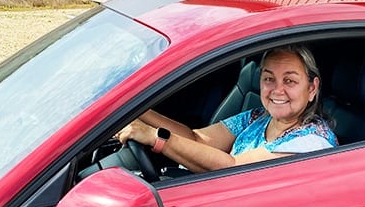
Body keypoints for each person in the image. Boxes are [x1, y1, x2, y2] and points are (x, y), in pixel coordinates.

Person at [117, 45, 337, 173]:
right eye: (269, 78)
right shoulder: (258, 117)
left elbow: (233, 167)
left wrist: (156, 139)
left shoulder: (312, 142)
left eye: (289, 81)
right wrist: (141, 112)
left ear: (311, 88)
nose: (277, 90)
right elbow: (196, 139)